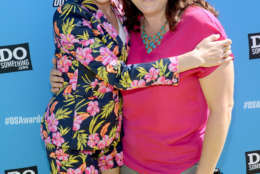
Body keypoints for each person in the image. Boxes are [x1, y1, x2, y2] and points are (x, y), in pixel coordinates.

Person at [46, 0, 233, 173]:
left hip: (110, 140)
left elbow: (223, 107)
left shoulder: (120, 9)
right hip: (74, 137)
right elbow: (118, 74)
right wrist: (192, 59)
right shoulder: (71, 13)